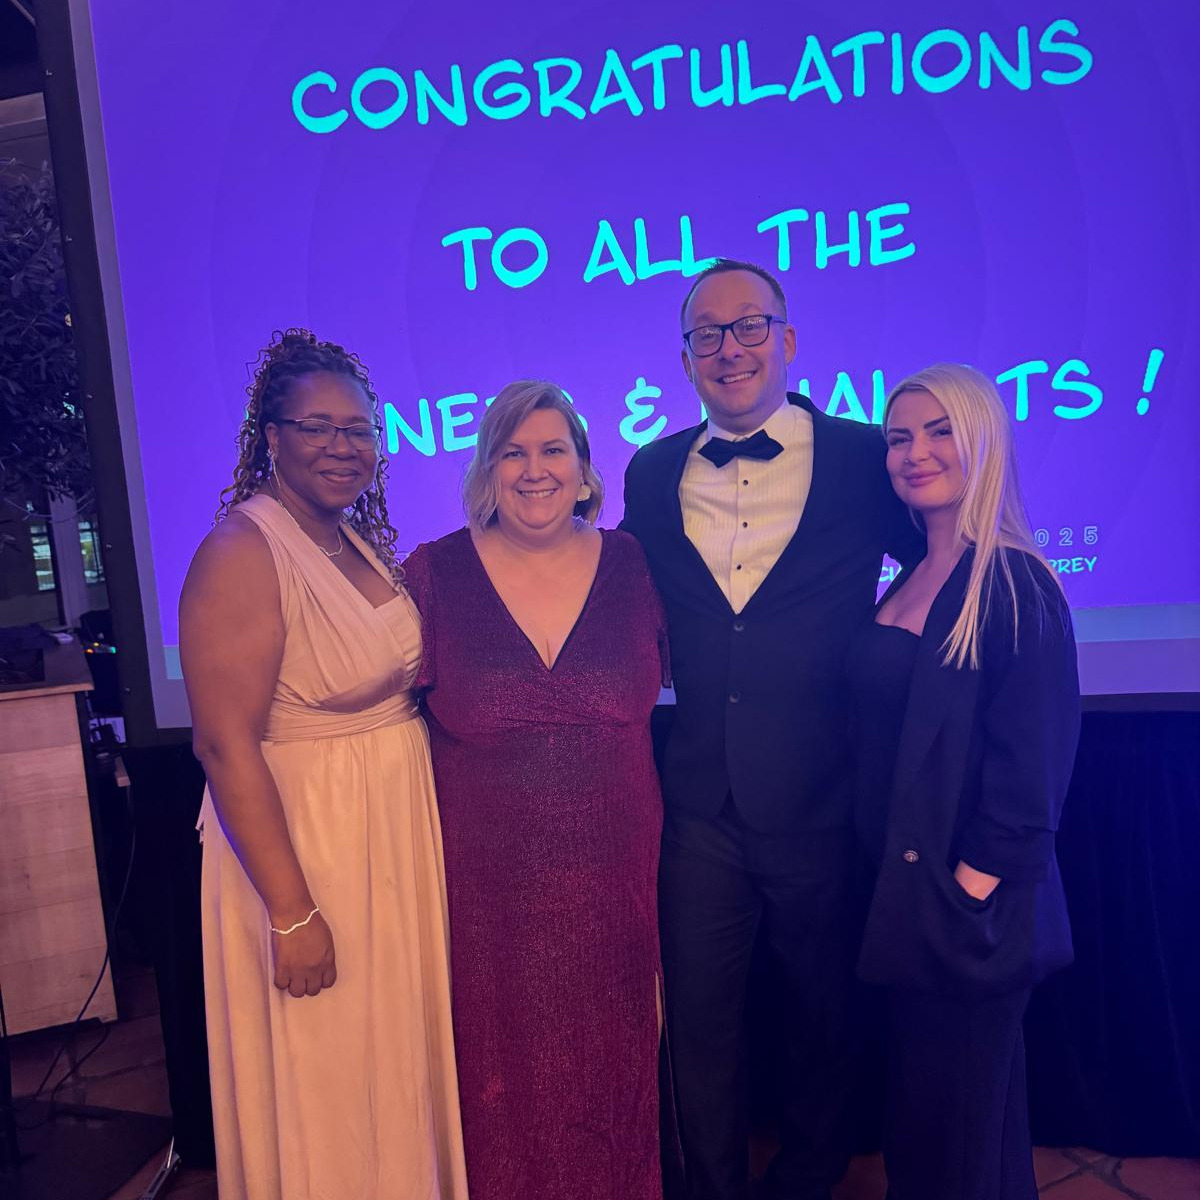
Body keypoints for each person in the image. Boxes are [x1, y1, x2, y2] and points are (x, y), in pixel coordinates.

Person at [621, 259, 920, 1200]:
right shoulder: (651, 467)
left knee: (822, 1018)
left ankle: (807, 1182)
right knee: (700, 1026)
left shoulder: (868, 456)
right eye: (707, 334)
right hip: (698, 803)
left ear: (788, 342)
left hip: (823, 794)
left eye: (749, 327)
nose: (729, 348)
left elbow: (942, 563)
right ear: (684, 360)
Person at [180, 329, 467, 1200]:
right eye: (318, 428)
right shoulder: (243, 550)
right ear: (271, 437)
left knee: (386, 1063)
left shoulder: (354, 541)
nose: (343, 448)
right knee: (329, 1074)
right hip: (309, 851)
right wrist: (294, 914)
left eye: (359, 430)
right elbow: (225, 744)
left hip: (385, 842)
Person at [402, 380, 669, 1200]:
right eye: (512, 452)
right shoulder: (433, 573)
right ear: (485, 473)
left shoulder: (630, 561)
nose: (534, 470)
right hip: (488, 905)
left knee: (616, 1080)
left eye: (554, 449)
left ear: (587, 473)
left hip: (616, 890)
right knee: (499, 1087)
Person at [848, 363, 1079, 1199]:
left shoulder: (1014, 584)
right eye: (899, 438)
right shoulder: (910, 575)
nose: (915, 453)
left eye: (939, 431)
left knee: (958, 1144)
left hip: (963, 918)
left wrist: (965, 891)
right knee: (936, 1132)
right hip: (907, 909)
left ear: (983, 439)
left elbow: (1033, 775)